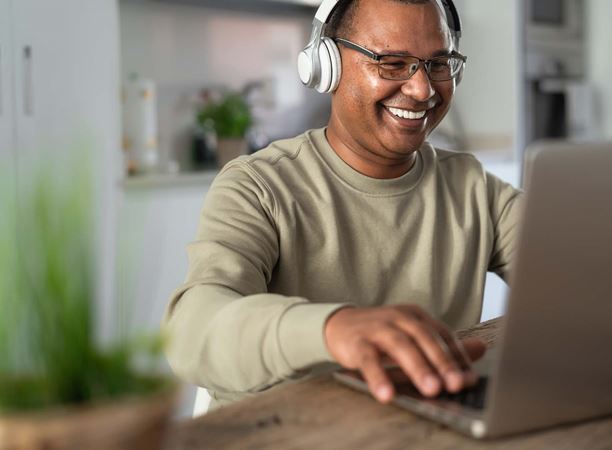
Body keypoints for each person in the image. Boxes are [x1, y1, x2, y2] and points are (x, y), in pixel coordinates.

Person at [163, 0, 521, 411]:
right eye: (391, 62)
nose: (422, 89)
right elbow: (191, 330)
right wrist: (334, 329)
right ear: (325, 66)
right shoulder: (258, 186)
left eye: (437, 63)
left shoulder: (473, 187)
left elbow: (576, 270)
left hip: (417, 429)